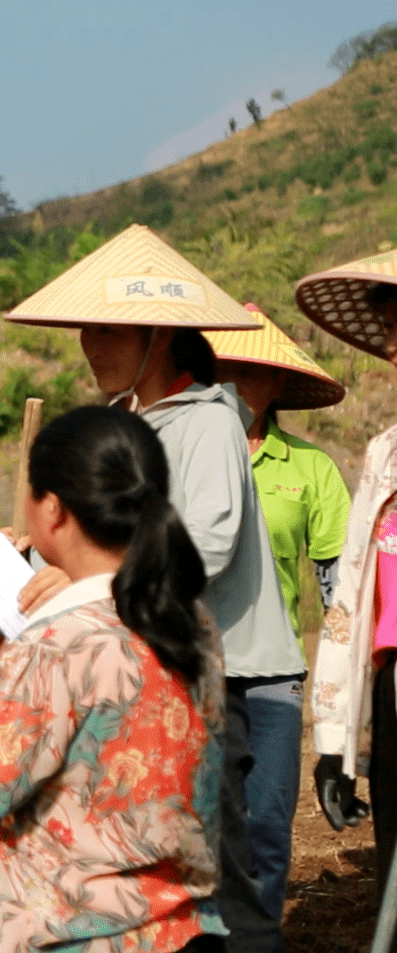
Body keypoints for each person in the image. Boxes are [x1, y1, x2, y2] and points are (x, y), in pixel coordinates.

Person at [4, 223, 291, 950]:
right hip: (157, 673)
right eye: (84, 329)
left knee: (227, 874)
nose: (88, 344)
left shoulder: (206, 424)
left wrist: (81, 577)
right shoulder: (123, 429)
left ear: (158, 335)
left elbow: (207, 545)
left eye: (105, 328)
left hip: (229, 679)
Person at [0, 405, 226, 953]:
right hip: (178, 932)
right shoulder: (188, 619)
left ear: (51, 509)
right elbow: (80, 715)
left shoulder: (57, 642)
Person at [207, 304, 351, 918]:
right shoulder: (176, 459)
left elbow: (340, 585)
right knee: (198, 823)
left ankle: (257, 936)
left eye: (254, 371)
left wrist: (346, 704)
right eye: (226, 368)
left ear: (278, 385)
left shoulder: (312, 469)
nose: (239, 382)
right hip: (194, 668)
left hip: (275, 673)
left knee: (265, 823)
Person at [296, 250, 397, 920]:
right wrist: (334, 742)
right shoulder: (385, 454)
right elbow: (352, 598)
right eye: (390, 334)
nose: (392, 349)